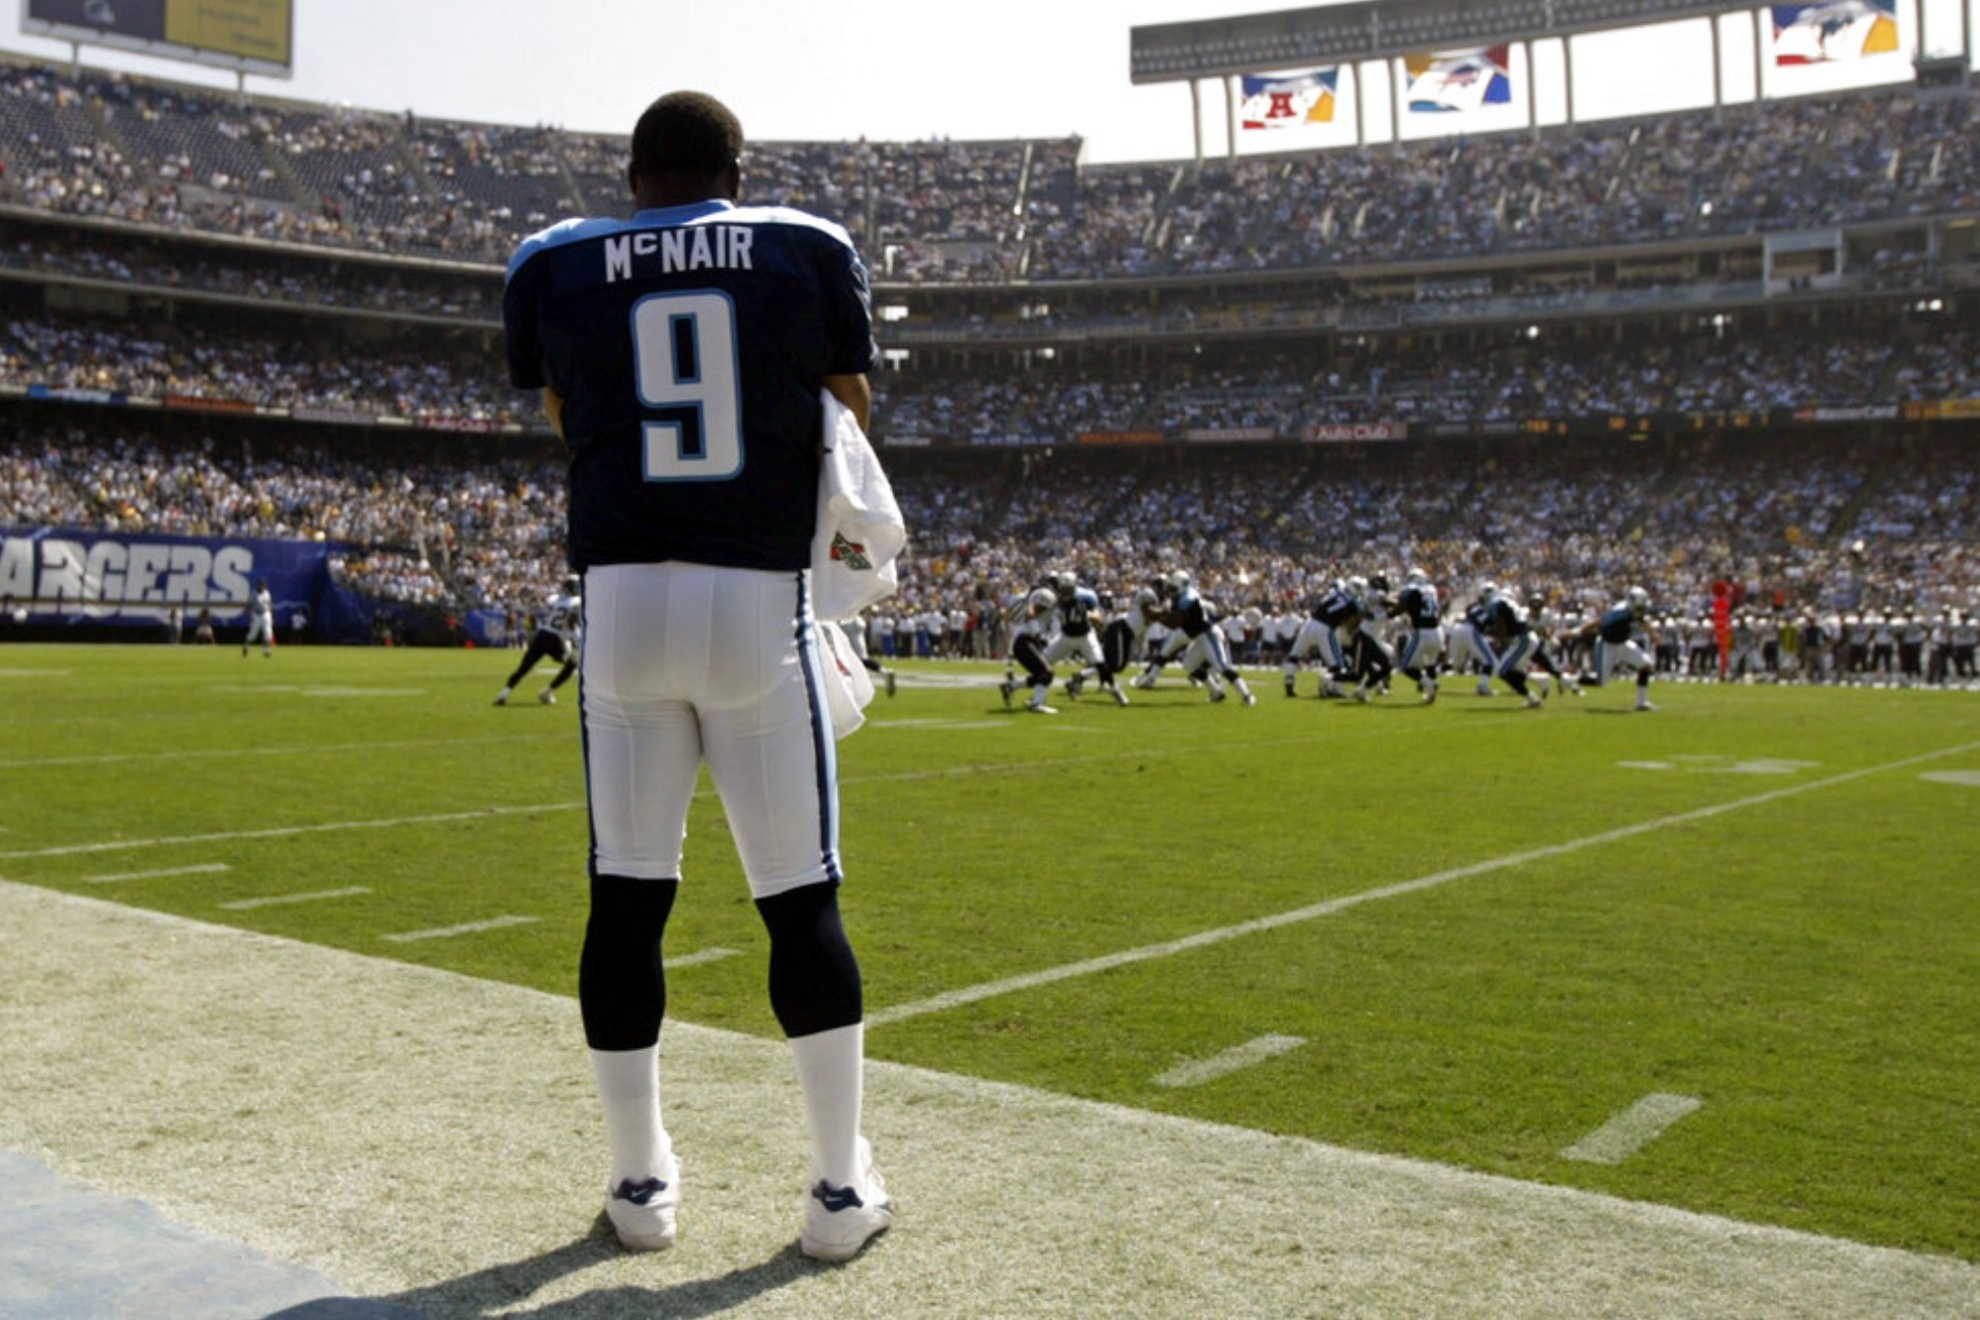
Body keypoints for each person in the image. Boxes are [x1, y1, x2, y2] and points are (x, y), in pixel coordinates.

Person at [502, 90, 891, 1262]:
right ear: (739, 165)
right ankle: (835, 1192)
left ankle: (639, 1186)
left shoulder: (549, 262)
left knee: (627, 897)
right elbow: (849, 407)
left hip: (620, 603)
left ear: (632, 172)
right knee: (797, 897)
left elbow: (565, 412)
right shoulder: (806, 245)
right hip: (751, 600)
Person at [492, 577, 583, 706]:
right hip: (555, 639)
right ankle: (547, 692)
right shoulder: (576, 601)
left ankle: (504, 693)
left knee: (524, 667)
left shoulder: (554, 599)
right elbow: (571, 621)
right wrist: (574, 636)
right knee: (572, 664)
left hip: (542, 635)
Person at [242, 578, 275, 657]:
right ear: (258, 585)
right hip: (256, 614)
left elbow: (270, 605)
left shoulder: (267, 593)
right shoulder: (253, 593)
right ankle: (246, 647)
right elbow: (249, 605)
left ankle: (266, 651)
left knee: (268, 634)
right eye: (260, 585)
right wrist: (250, 615)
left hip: (266, 614)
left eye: (263, 585)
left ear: (264, 586)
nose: (261, 586)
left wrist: (272, 617)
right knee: (253, 635)